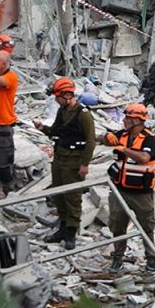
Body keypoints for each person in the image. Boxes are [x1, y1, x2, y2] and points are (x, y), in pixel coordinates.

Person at [35, 77, 96, 250]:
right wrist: (43, 128)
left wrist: (85, 164)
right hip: (60, 158)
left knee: (72, 197)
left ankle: (71, 233)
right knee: (58, 194)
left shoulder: (83, 114)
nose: (56, 100)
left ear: (68, 95)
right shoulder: (62, 111)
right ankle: (62, 228)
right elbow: (56, 131)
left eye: (58, 97)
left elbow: (91, 141)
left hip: (74, 162)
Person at [103, 103, 155, 273]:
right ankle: (117, 258)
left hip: (141, 193)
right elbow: (103, 139)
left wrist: (124, 149)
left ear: (137, 120)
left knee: (146, 227)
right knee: (117, 225)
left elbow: (143, 157)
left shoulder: (148, 139)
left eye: (128, 118)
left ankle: (152, 259)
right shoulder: (122, 134)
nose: (124, 120)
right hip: (120, 189)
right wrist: (107, 137)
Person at [0, 51, 19, 195]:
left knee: (3, 161)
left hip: (2, 127)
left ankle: (8, 189)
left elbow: (2, 82)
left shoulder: (10, 76)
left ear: (3, 64)